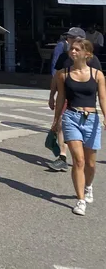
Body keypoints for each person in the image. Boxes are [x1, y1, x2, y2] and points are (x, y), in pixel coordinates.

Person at [52, 38, 106, 216]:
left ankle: (88, 186)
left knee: (90, 164)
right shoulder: (63, 74)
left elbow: (103, 99)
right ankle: (80, 200)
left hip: (92, 119)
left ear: (86, 54)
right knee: (79, 160)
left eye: (76, 49)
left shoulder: (97, 75)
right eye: (71, 49)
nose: (72, 52)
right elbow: (61, 99)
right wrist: (56, 119)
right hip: (71, 117)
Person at [47, 27, 103, 172]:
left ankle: (78, 161)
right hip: (65, 97)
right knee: (60, 124)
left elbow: (98, 81)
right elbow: (56, 76)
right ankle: (62, 156)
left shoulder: (92, 60)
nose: (68, 40)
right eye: (68, 38)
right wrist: (51, 95)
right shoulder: (63, 57)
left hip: (83, 104)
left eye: (72, 38)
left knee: (87, 155)